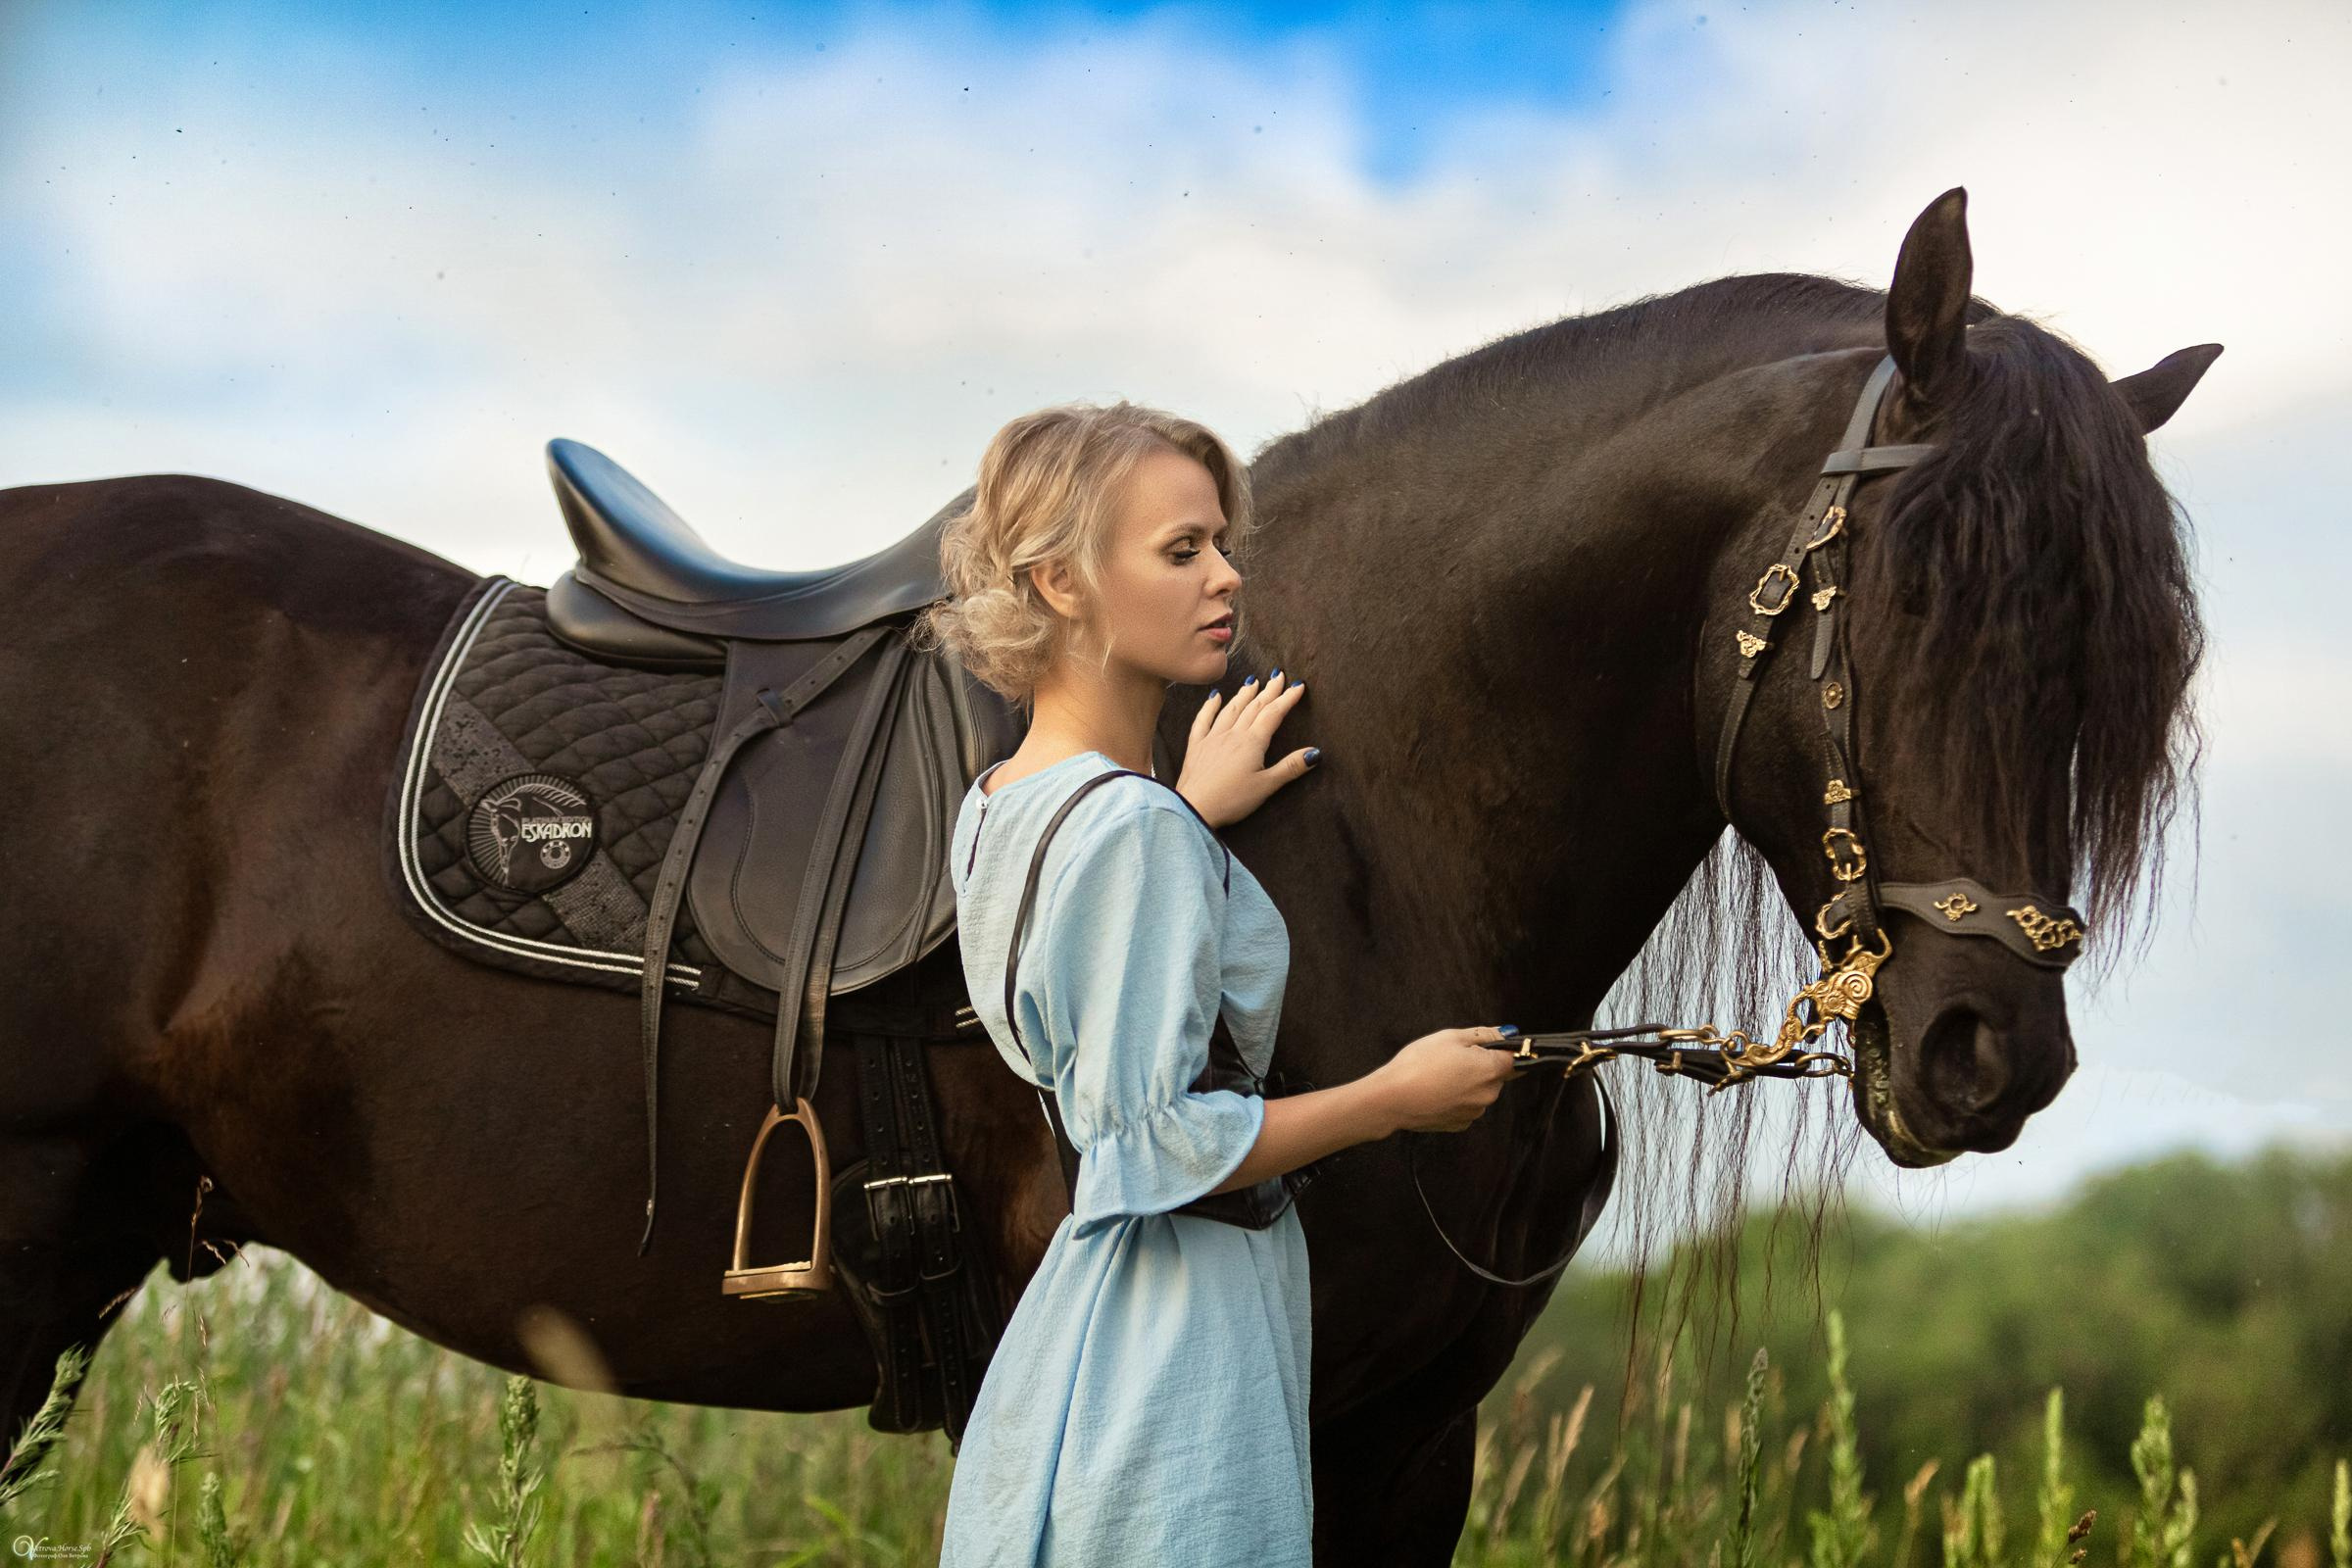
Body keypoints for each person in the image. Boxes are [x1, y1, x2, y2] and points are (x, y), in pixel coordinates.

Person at [912, 399, 1517, 1567]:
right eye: (1182, 550)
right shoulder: (1132, 833)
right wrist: (1394, 1096)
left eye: (1222, 545)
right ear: (1060, 582)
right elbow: (1148, 1147)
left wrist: (1187, 811)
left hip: (1088, 1329)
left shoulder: (1002, 804)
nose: (1227, 576)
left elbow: (1093, 962)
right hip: (1179, 1345)